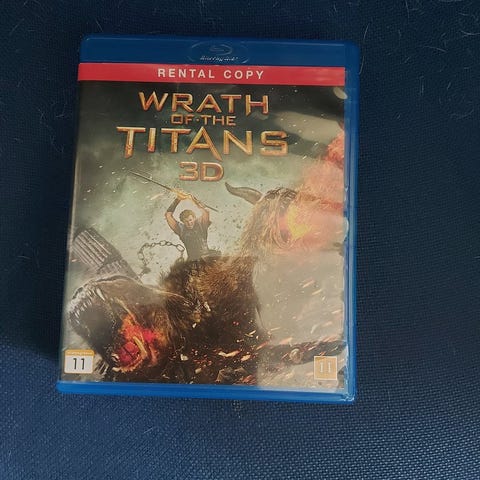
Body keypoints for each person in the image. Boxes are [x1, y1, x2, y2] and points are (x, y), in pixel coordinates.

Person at [165, 191, 212, 261]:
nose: (189, 223)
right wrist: (178, 199)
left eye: (190, 220)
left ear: (194, 218)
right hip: (193, 262)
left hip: (207, 258)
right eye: (186, 221)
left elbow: (206, 212)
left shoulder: (201, 225)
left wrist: (194, 200)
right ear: (183, 222)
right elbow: (168, 215)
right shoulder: (181, 230)